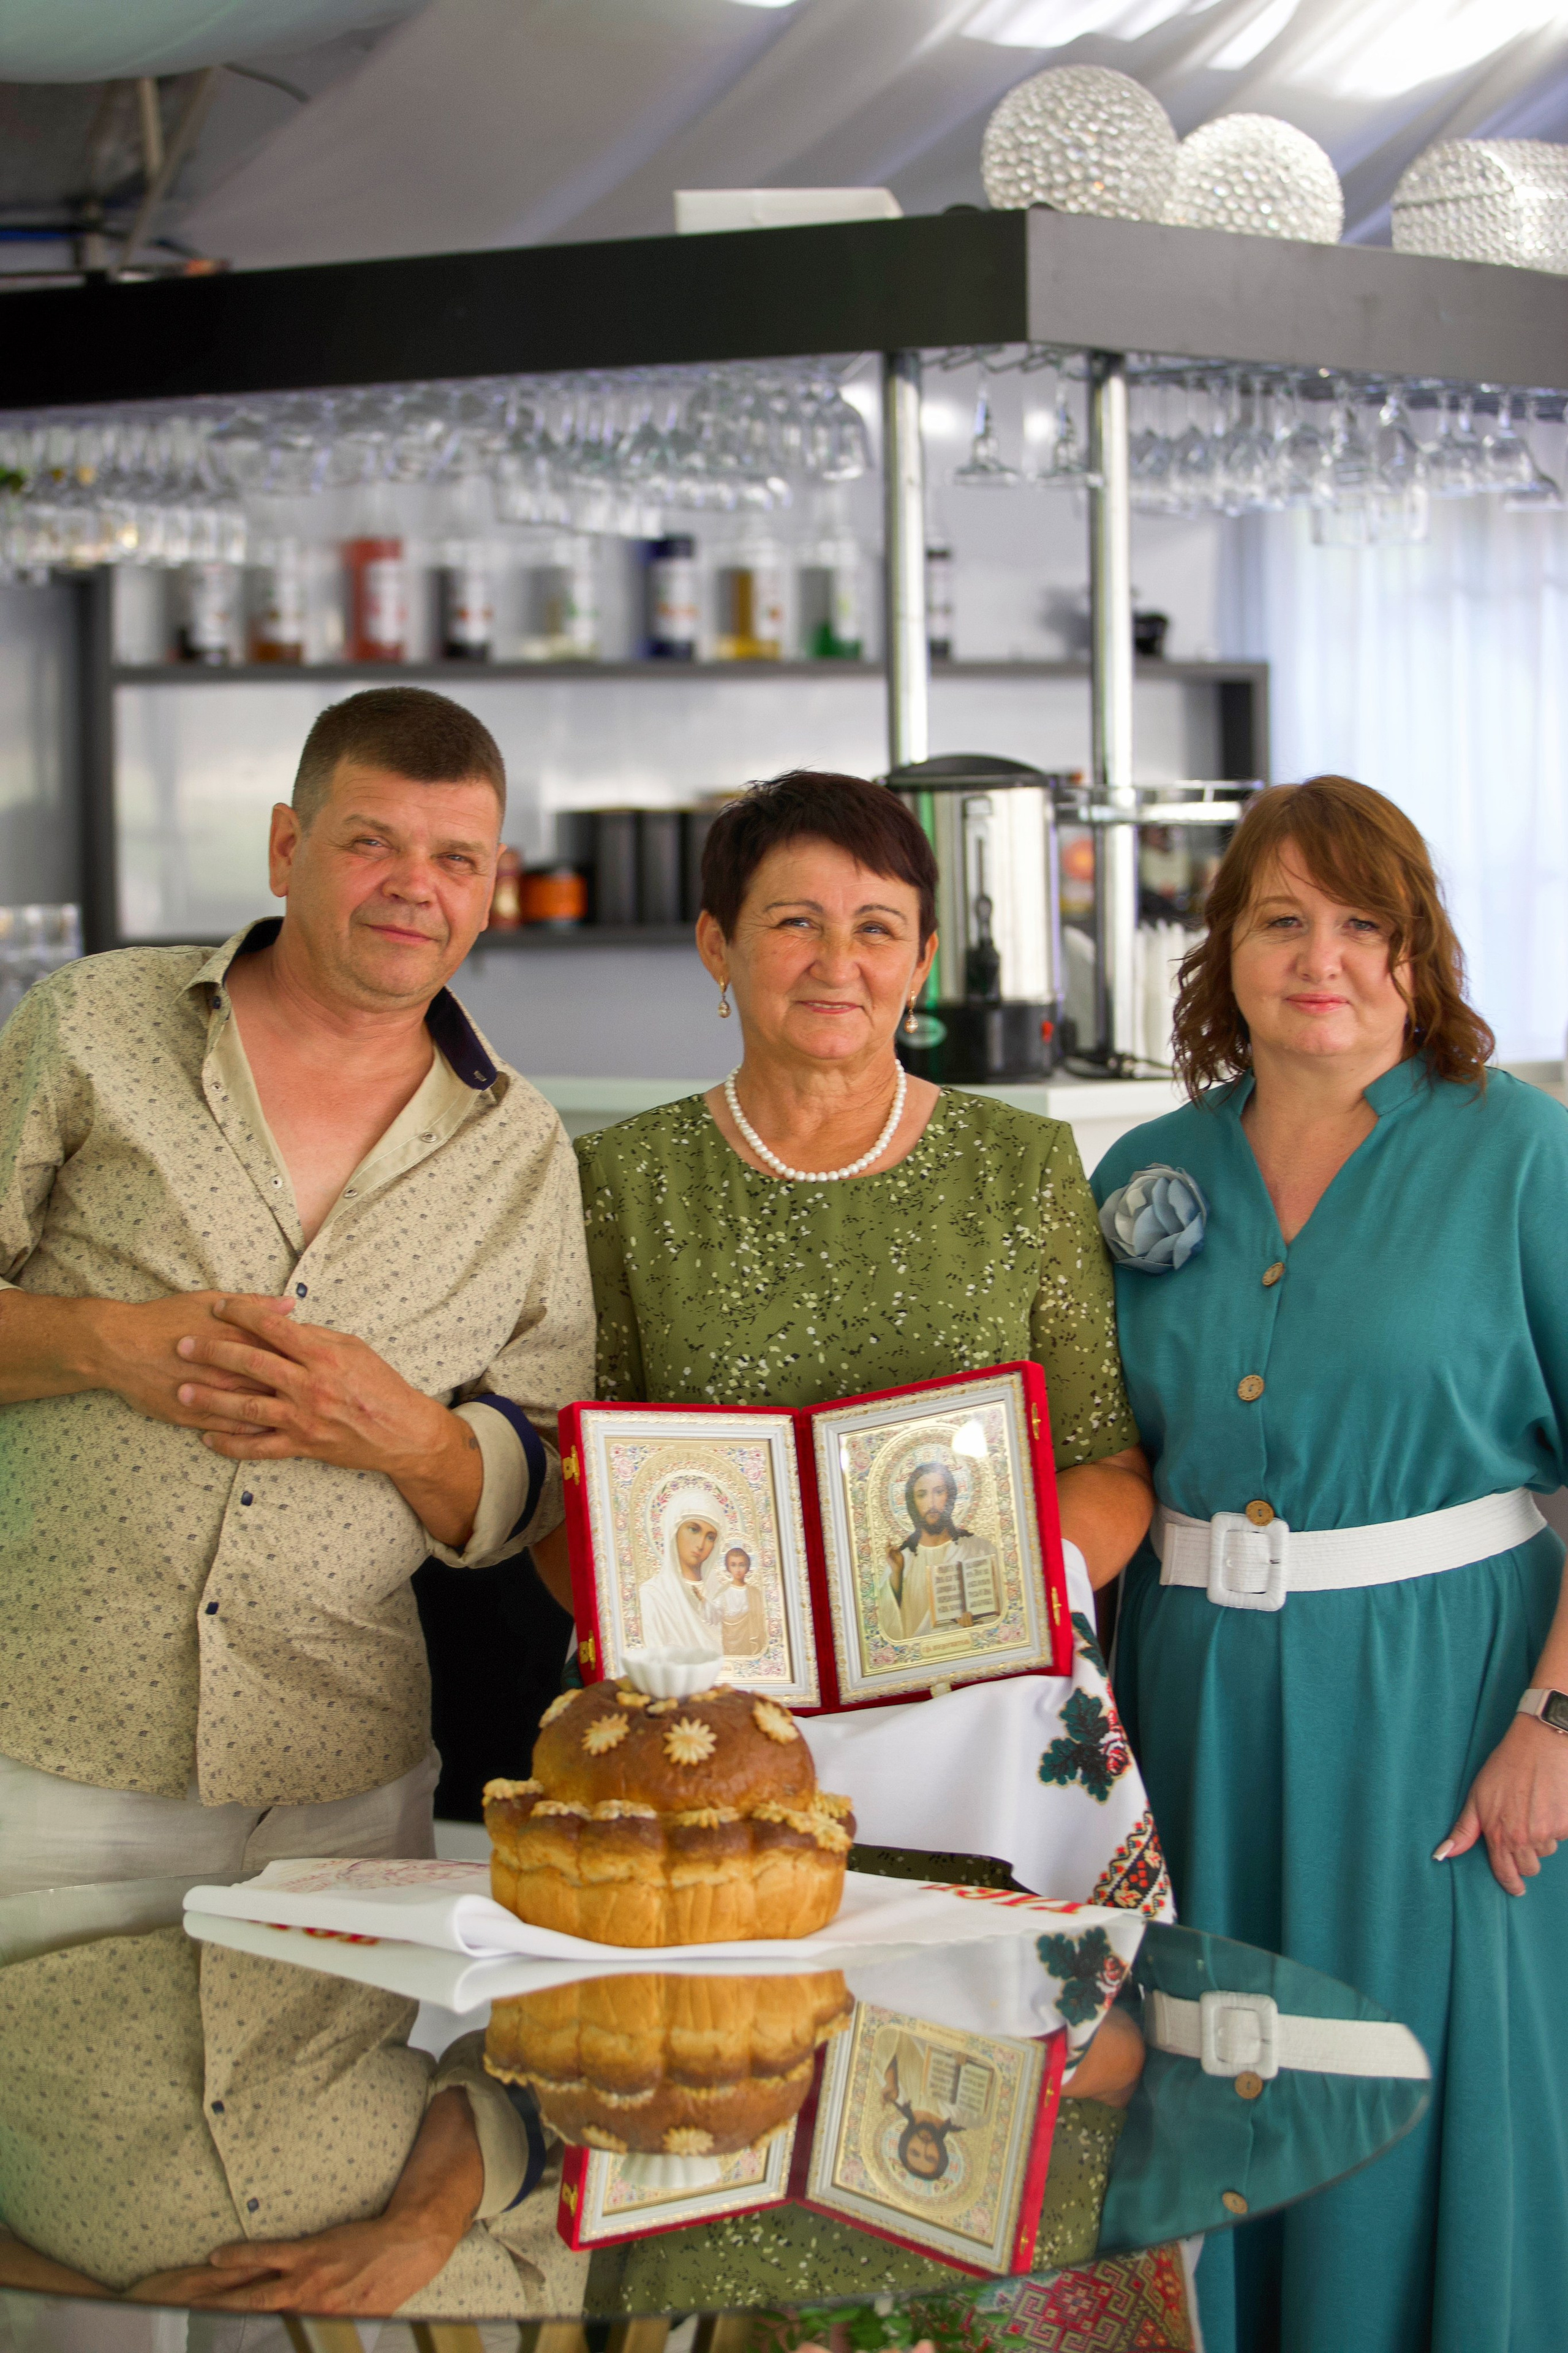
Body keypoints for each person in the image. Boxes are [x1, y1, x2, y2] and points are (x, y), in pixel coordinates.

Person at [540, 769, 1178, 2342]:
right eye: (793, 921)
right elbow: (582, 1501)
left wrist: (1011, 1592)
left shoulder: (1019, 1167)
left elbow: (1106, 1464)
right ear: (714, 942)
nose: (836, 959)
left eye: (876, 927)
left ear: (920, 957)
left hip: (976, 1735)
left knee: (999, 2156)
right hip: (720, 1760)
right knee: (734, 2142)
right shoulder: (618, 1181)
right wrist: (644, 1617)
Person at [1093, 776, 1568, 2353]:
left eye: (1364, 925)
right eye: (1280, 919)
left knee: (1421, 2076)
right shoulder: (1141, 1170)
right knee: (1209, 2072)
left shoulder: (1519, 1152)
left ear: (1417, 952)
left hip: (1442, 1704)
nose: (1323, 958)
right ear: (1218, 947)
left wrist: (1549, 1724)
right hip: (1190, 1709)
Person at [0, 686, 592, 1892]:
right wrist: (107, 1344)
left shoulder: (520, 1148)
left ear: (490, 887)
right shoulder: (88, 1026)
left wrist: (409, 1435)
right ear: (287, 846)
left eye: (455, 858)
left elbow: (542, 1473)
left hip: (343, 1790)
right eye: (371, 841)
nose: (411, 885)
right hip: (47, 1751)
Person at [878, 1461, 999, 1640]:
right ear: (913, 1503)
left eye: (939, 1492)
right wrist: (896, 1576)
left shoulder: (980, 1549)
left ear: (950, 1497)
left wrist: (978, 1626)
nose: (931, 1503)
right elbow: (885, 1626)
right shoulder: (901, 1559)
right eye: (922, 1495)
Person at [635, 1490, 723, 1653]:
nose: (701, 1544)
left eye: (710, 1537)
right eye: (694, 1530)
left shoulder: (720, 1593)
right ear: (674, 1531)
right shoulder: (654, 1595)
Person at [715, 1544, 768, 1656]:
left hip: (749, 1640)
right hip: (729, 1641)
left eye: (741, 1565)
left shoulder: (755, 1593)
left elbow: (762, 1617)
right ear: (728, 1567)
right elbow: (715, 1614)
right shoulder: (723, 1592)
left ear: (748, 1567)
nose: (738, 1570)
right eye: (733, 1565)